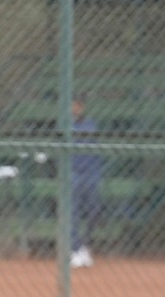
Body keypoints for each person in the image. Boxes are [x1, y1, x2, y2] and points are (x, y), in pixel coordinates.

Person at [70, 96, 103, 268]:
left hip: (91, 172)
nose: (75, 108)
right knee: (73, 212)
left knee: (93, 210)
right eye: (72, 105)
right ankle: (75, 250)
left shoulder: (91, 124)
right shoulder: (66, 125)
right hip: (73, 173)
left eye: (78, 105)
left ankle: (85, 246)